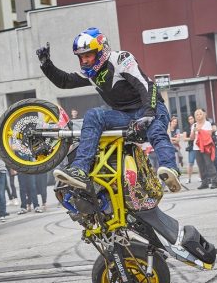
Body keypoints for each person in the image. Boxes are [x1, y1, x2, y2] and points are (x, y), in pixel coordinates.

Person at [36, 28, 180, 192]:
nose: (84, 61)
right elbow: (65, 81)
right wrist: (46, 64)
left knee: (156, 131)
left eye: (88, 55)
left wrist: (148, 114)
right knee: (93, 114)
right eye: (81, 57)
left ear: (101, 51)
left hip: (150, 108)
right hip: (124, 116)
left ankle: (170, 170)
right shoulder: (90, 73)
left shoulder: (121, 59)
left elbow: (147, 85)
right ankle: (79, 170)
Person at [190, 109, 217, 189]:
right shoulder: (194, 125)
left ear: (204, 115)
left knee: (209, 164)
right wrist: (193, 132)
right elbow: (192, 138)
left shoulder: (207, 123)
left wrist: (200, 130)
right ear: (195, 117)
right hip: (196, 147)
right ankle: (204, 182)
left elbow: (209, 134)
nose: (199, 116)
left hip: (206, 146)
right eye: (197, 114)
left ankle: (214, 181)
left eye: (200, 114)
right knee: (201, 165)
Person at [184, 115, 196, 184]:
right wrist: (192, 138)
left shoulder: (196, 125)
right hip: (191, 146)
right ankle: (188, 178)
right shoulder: (186, 128)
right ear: (188, 120)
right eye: (189, 119)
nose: (191, 120)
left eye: (192, 118)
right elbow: (184, 138)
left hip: (198, 145)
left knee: (200, 162)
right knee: (190, 163)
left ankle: (200, 177)